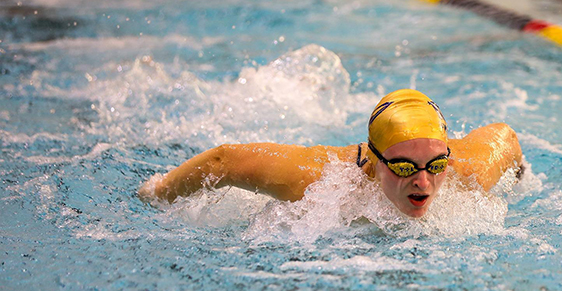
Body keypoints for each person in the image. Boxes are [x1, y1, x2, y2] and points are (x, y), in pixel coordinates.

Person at [138, 89, 523, 218]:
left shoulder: (466, 171)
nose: (423, 181)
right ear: (373, 158)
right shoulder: (319, 181)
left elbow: (505, 136)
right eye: (404, 166)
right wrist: (157, 193)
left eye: (434, 164)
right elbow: (225, 161)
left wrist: (522, 176)